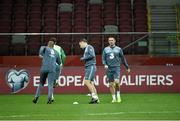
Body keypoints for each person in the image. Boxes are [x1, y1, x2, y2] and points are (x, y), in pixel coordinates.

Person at [102, 37, 130, 103]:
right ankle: (114, 98)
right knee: (111, 84)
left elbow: (123, 59)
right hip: (109, 68)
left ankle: (118, 96)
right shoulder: (105, 49)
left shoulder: (119, 49)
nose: (111, 41)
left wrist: (127, 67)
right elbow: (103, 58)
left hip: (116, 67)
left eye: (112, 40)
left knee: (117, 82)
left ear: (114, 41)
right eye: (109, 40)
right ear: (108, 42)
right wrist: (105, 64)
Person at [79, 38, 99, 104]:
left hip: (91, 66)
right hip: (89, 67)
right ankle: (97, 99)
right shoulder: (86, 49)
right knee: (91, 83)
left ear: (83, 42)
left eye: (80, 44)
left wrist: (83, 58)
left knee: (86, 82)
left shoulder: (89, 47)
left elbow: (92, 55)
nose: (80, 46)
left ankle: (94, 97)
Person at [49, 37, 66, 101]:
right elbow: (64, 56)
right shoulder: (59, 48)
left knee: (50, 81)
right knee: (54, 80)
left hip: (50, 66)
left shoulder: (47, 48)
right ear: (56, 42)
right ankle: (56, 80)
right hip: (58, 66)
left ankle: (51, 96)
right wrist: (62, 64)